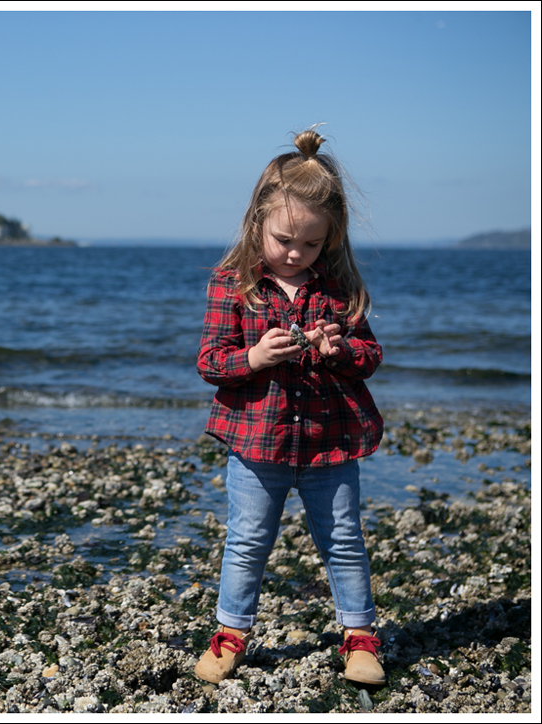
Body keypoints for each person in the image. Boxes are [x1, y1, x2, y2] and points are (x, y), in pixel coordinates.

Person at [193, 127, 385, 687]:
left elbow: (371, 356)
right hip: (256, 444)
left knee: (344, 538)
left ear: (331, 237)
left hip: (330, 443)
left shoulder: (338, 289)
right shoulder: (234, 285)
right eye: (284, 240)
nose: (296, 252)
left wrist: (340, 348)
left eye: (311, 244)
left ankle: (360, 639)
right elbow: (210, 362)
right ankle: (230, 634)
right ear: (257, 222)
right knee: (248, 539)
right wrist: (253, 357)